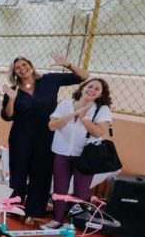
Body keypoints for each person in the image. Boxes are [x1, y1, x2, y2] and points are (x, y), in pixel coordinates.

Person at [1, 52, 87, 222]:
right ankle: (15, 208)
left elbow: (83, 76)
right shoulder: (13, 90)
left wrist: (67, 64)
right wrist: (12, 99)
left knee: (41, 173)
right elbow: (7, 116)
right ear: (14, 72)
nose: (22, 69)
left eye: (24, 65)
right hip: (21, 135)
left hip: (46, 134)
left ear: (31, 66)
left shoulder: (49, 80)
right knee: (18, 172)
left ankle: (33, 211)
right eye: (17, 68)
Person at [48, 77, 113, 228]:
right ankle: (57, 220)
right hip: (61, 151)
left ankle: (77, 221)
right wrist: (74, 114)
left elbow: (98, 133)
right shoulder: (65, 105)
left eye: (97, 89)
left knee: (81, 191)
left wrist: (84, 119)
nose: (92, 90)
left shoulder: (101, 109)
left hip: (85, 156)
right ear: (83, 87)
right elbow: (52, 125)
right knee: (60, 188)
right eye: (90, 86)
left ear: (101, 94)